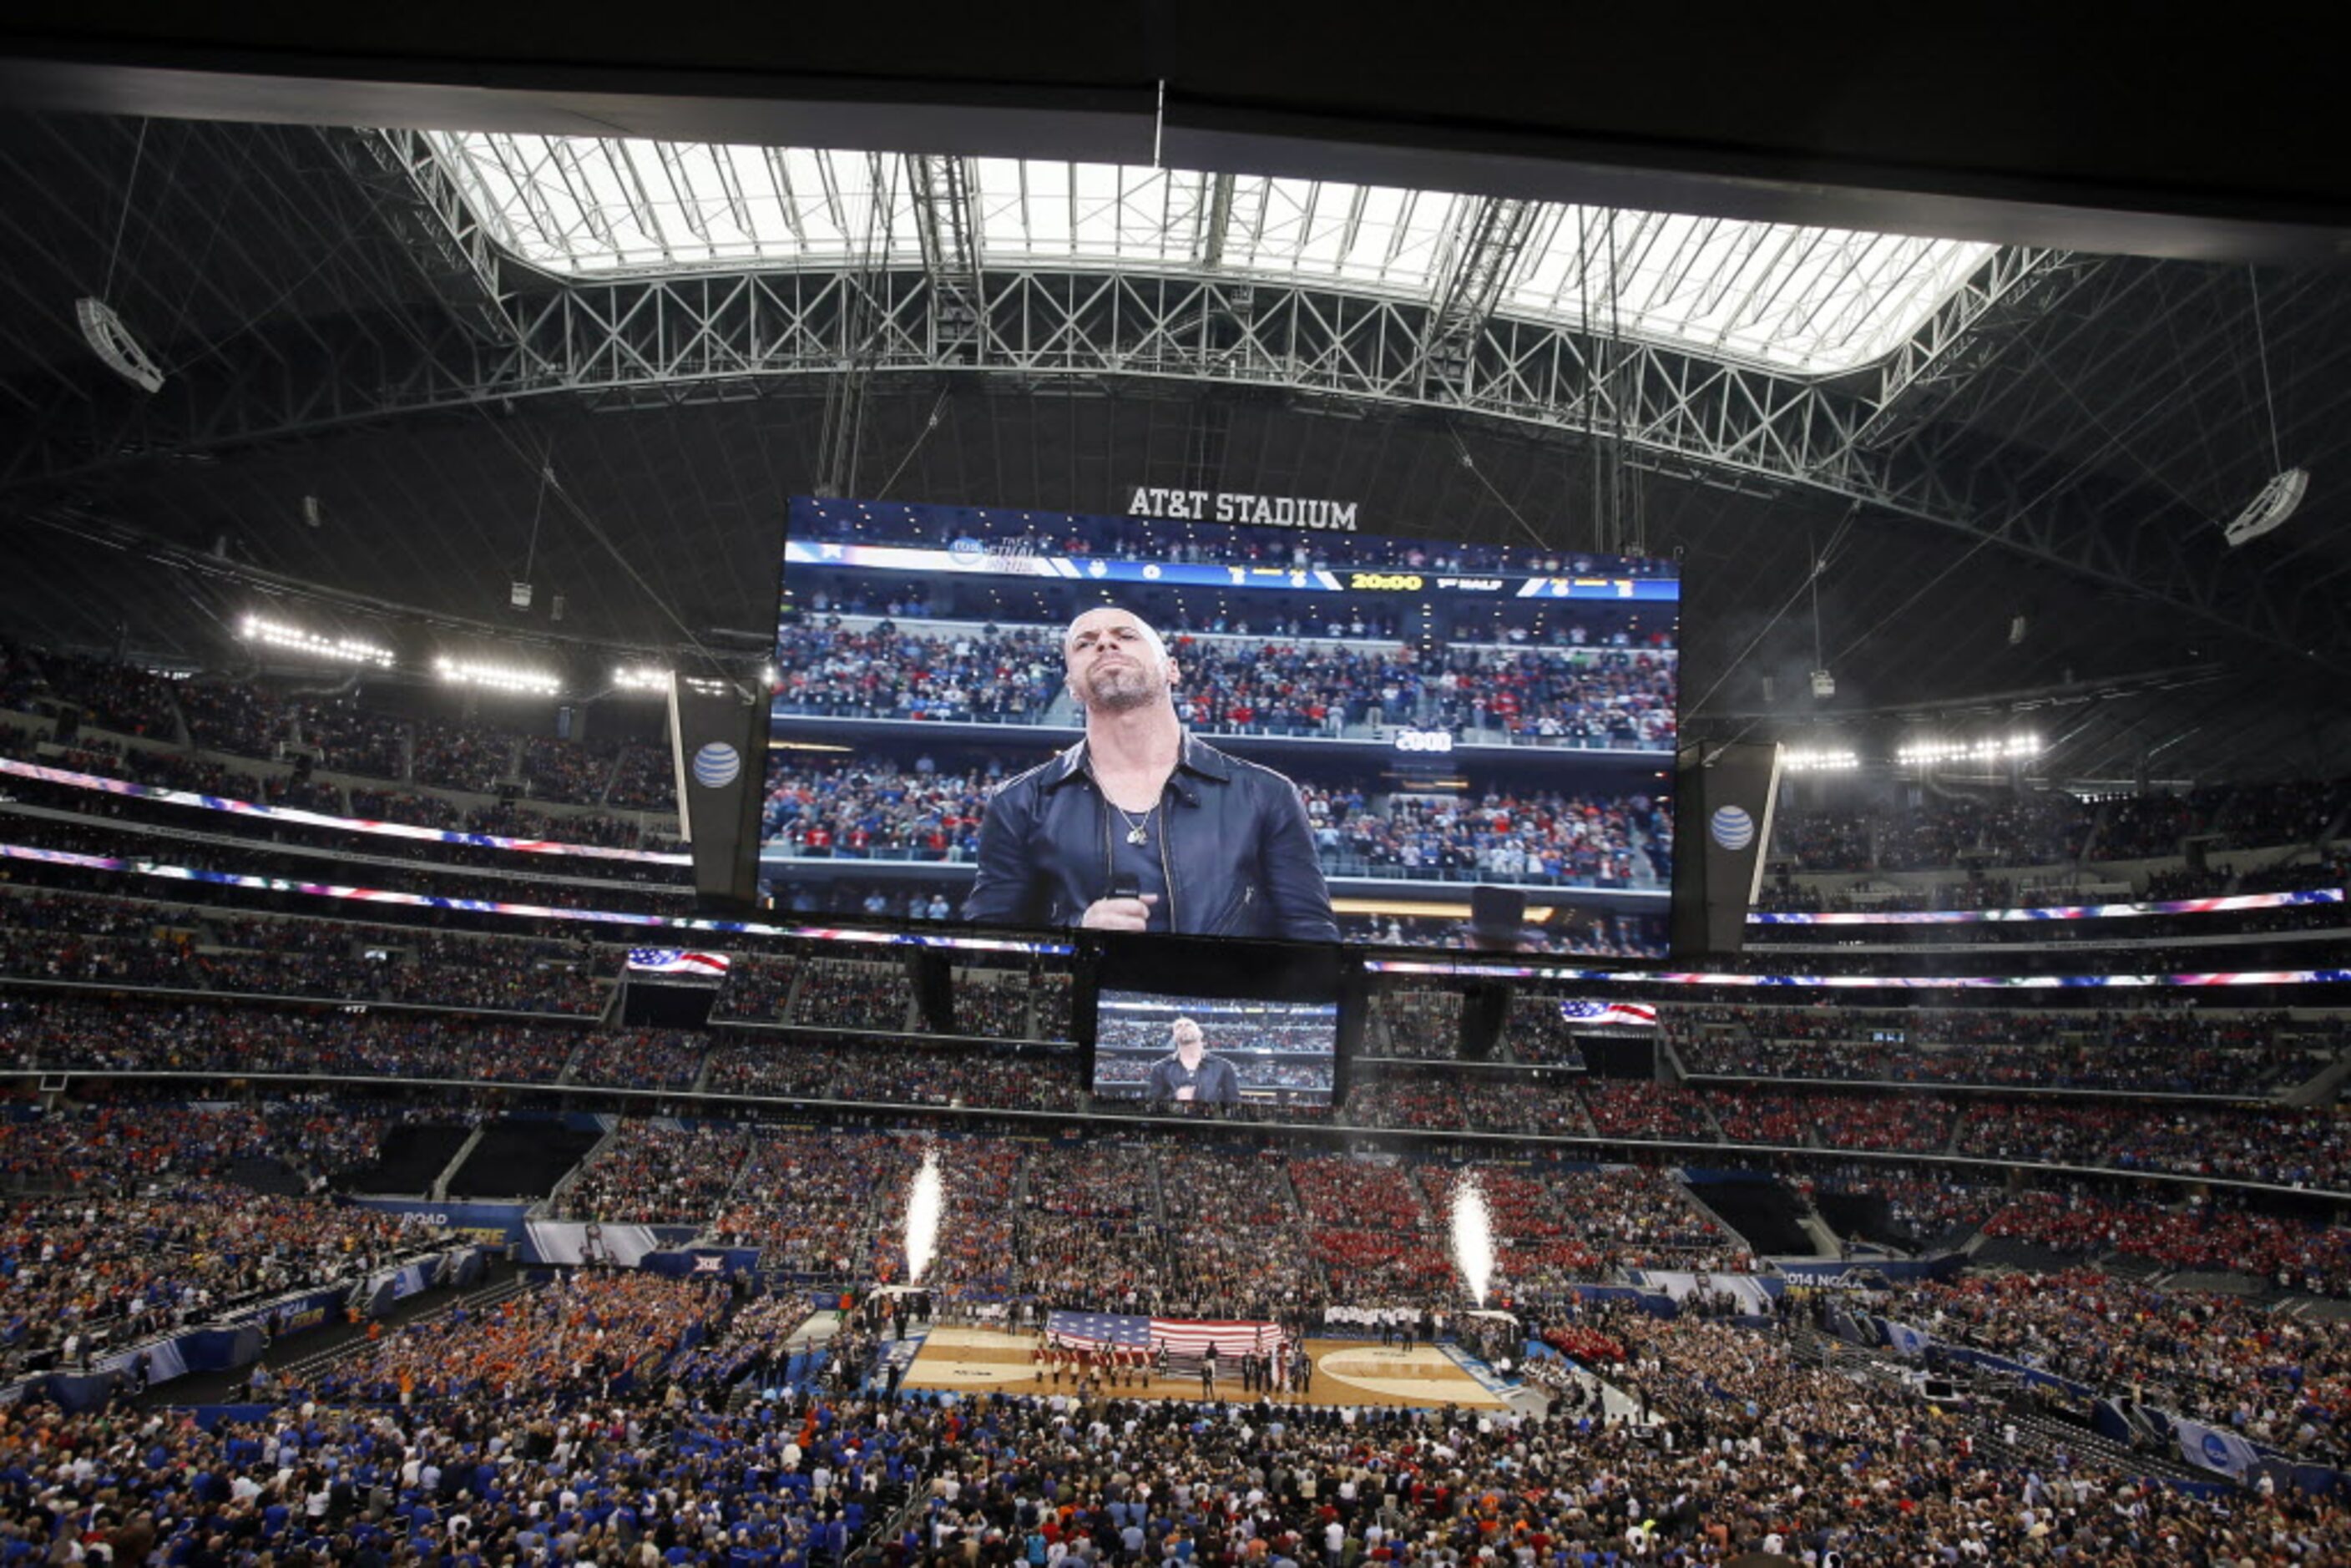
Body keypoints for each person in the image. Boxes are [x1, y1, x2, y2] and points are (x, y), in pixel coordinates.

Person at [963, 607, 1339, 940]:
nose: (1106, 644)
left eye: (1125, 636)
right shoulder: (1019, 802)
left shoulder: (1266, 794)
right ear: (1071, 688)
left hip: (1221, 1012)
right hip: (1084, 1010)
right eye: (1085, 643)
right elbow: (990, 945)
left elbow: (1312, 941)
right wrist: (1075, 935)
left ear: (1171, 669)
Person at [1145, 1017, 1243, 1105]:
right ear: (1174, 1037)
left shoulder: (1223, 1067)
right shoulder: (1161, 1068)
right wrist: (1175, 1098)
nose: (1183, 1027)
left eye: (1188, 1025)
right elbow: (1152, 1105)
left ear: (1200, 1033)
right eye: (1178, 1027)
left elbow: (1234, 1104)